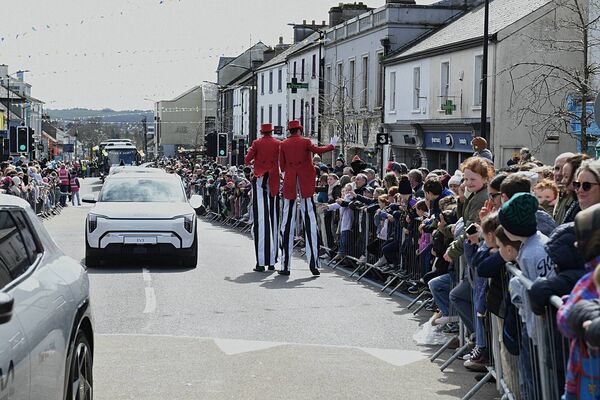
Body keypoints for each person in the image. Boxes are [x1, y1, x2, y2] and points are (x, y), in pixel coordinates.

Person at [279, 120, 336, 276]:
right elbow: (319, 150)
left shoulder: (283, 144)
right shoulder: (306, 142)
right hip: (305, 184)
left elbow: (282, 166)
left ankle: (285, 266)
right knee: (310, 223)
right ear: (300, 130)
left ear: (289, 131)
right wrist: (332, 145)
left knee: (286, 224)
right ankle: (313, 264)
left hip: (291, 184)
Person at [557, 204, 600, 399]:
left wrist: (571, 305)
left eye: (582, 237)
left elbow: (565, 321)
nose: (576, 244)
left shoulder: (592, 279)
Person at [244, 123, 281, 272]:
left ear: (261, 132)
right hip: (273, 180)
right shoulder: (279, 143)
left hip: (260, 179)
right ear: (271, 132)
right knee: (273, 221)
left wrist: (255, 160)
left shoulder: (257, 143)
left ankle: (261, 262)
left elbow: (247, 159)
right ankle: (272, 261)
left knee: (261, 222)